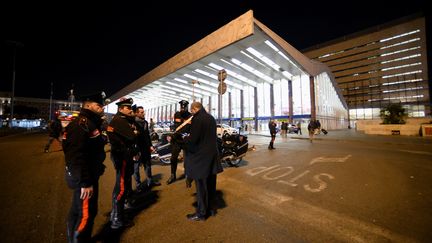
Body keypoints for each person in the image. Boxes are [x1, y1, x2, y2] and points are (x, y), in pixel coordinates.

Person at [62, 91, 108, 243]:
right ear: (88, 105)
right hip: (85, 178)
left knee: (76, 212)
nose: (101, 107)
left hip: (85, 175)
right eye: (98, 105)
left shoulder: (90, 122)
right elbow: (76, 156)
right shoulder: (82, 124)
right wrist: (85, 182)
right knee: (86, 214)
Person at [183, 102, 223, 221]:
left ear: (195, 109)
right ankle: (210, 208)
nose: (191, 113)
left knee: (201, 187)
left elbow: (193, 140)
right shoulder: (211, 118)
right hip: (211, 157)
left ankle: (201, 213)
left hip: (201, 159)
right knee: (211, 185)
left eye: (192, 110)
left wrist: (184, 140)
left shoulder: (197, 119)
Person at [106, 97, 139, 229]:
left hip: (125, 155)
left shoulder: (123, 119)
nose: (130, 110)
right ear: (120, 109)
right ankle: (116, 218)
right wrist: (134, 133)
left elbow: (134, 133)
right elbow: (132, 136)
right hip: (122, 156)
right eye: (128, 108)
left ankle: (118, 213)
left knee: (122, 185)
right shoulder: (119, 121)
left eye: (131, 108)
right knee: (121, 187)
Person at [133, 106, 160, 190]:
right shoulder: (132, 123)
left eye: (143, 112)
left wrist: (150, 145)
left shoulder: (145, 122)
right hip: (137, 149)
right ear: (136, 113)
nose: (143, 113)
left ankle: (150, 181)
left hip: (145, 148)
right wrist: (134, 150)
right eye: (141, 112)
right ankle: (138, 185)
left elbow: (147, 135)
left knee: (148, 165)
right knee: (136, 168)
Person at [166, 100, 192, 185]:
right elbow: (175, 126)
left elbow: (191, 128)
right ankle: (173, 175)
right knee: (173, 158)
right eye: (181, 107)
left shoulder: (190, 116)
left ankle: (188, 176)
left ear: (187, 107)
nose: (183, 108)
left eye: (184, 107)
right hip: (176, 140)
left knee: (187, 160)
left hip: (186, 141)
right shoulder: (177, 114)